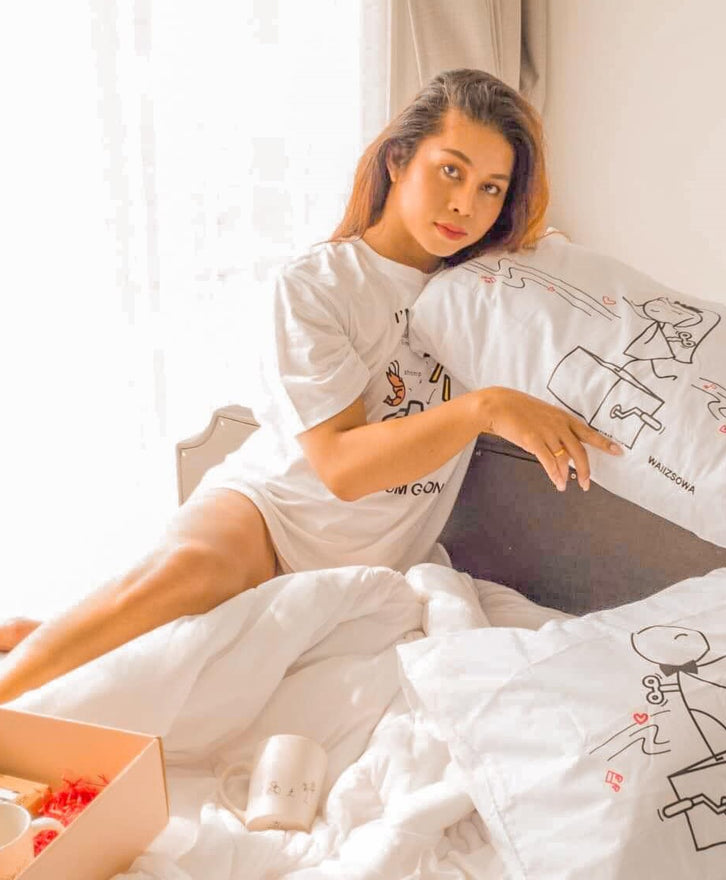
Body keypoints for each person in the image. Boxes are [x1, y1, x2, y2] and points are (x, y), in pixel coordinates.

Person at [0, 69, 622, 704]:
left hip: (376, 556)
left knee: (163, 659)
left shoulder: (493, 294)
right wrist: (484, 408)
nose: (467, 204)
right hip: (272, 518)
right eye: (451, 171)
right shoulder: (318, 285)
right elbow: (340, 467)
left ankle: (40, 635)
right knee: (172, 583)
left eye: (492, 188)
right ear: (399, 159)